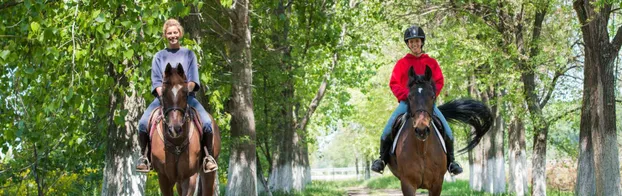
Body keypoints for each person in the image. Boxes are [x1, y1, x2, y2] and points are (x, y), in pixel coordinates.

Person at [370, 25, 463, 175]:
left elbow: (439, 81)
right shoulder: (402, 63)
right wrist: (406, 96)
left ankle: (452, 162)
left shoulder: (431, 62)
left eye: (417, 41)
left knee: (448, 131)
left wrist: (430, 98)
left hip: (427, 104)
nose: (414, 44)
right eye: (411, 42)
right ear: (408, 44)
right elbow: (393, 83)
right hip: (407, 103)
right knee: (386, 130)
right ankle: (381, 160)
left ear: (422, 42)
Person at [135, 19, 217, 173]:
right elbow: (156, 82)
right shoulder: (159, 56)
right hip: (163, 99)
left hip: (186, 98)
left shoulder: (189, 54)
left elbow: (193, 80)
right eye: (169, 33)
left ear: (180, 33)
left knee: (206, 123)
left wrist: (183, 91)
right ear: (165, 35)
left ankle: (208, 157)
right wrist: (164, 95)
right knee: (142, 123)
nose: (172, 35)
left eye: (175, 32)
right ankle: (144, 157)